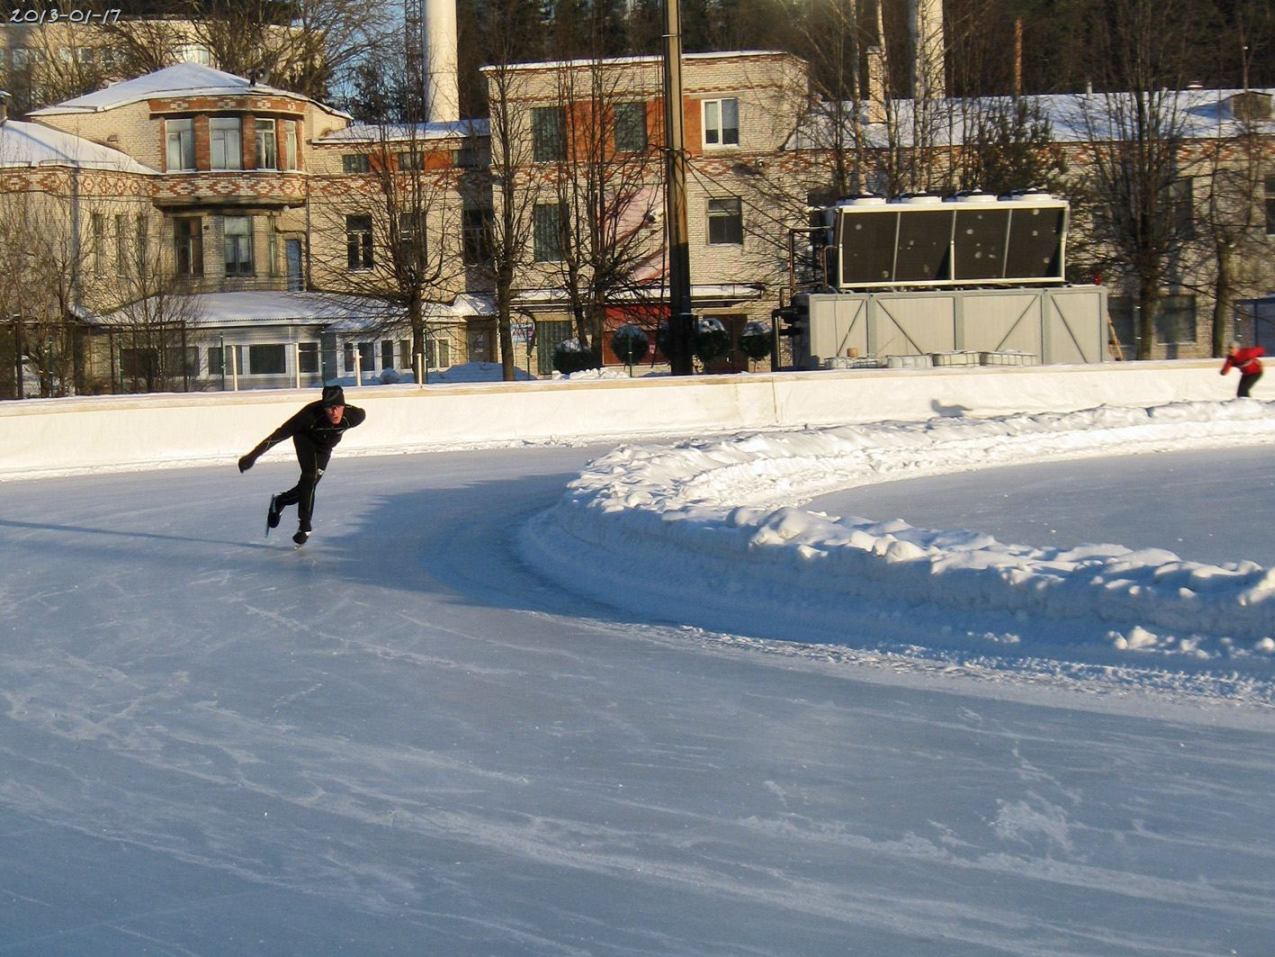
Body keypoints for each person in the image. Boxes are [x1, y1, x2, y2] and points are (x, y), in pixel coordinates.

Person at [238, 384, 366, 545]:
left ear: (344, 406)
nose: (334, 412)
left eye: (337, 407)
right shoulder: (308, 416)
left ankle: (280, 501)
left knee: (306, 488)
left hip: (325, 448)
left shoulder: (355, 416)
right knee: (309, 478)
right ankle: (304, 525)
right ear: (323, 406)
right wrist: (252, 456)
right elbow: (278, 435)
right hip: (305, 441)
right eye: (329, 407)